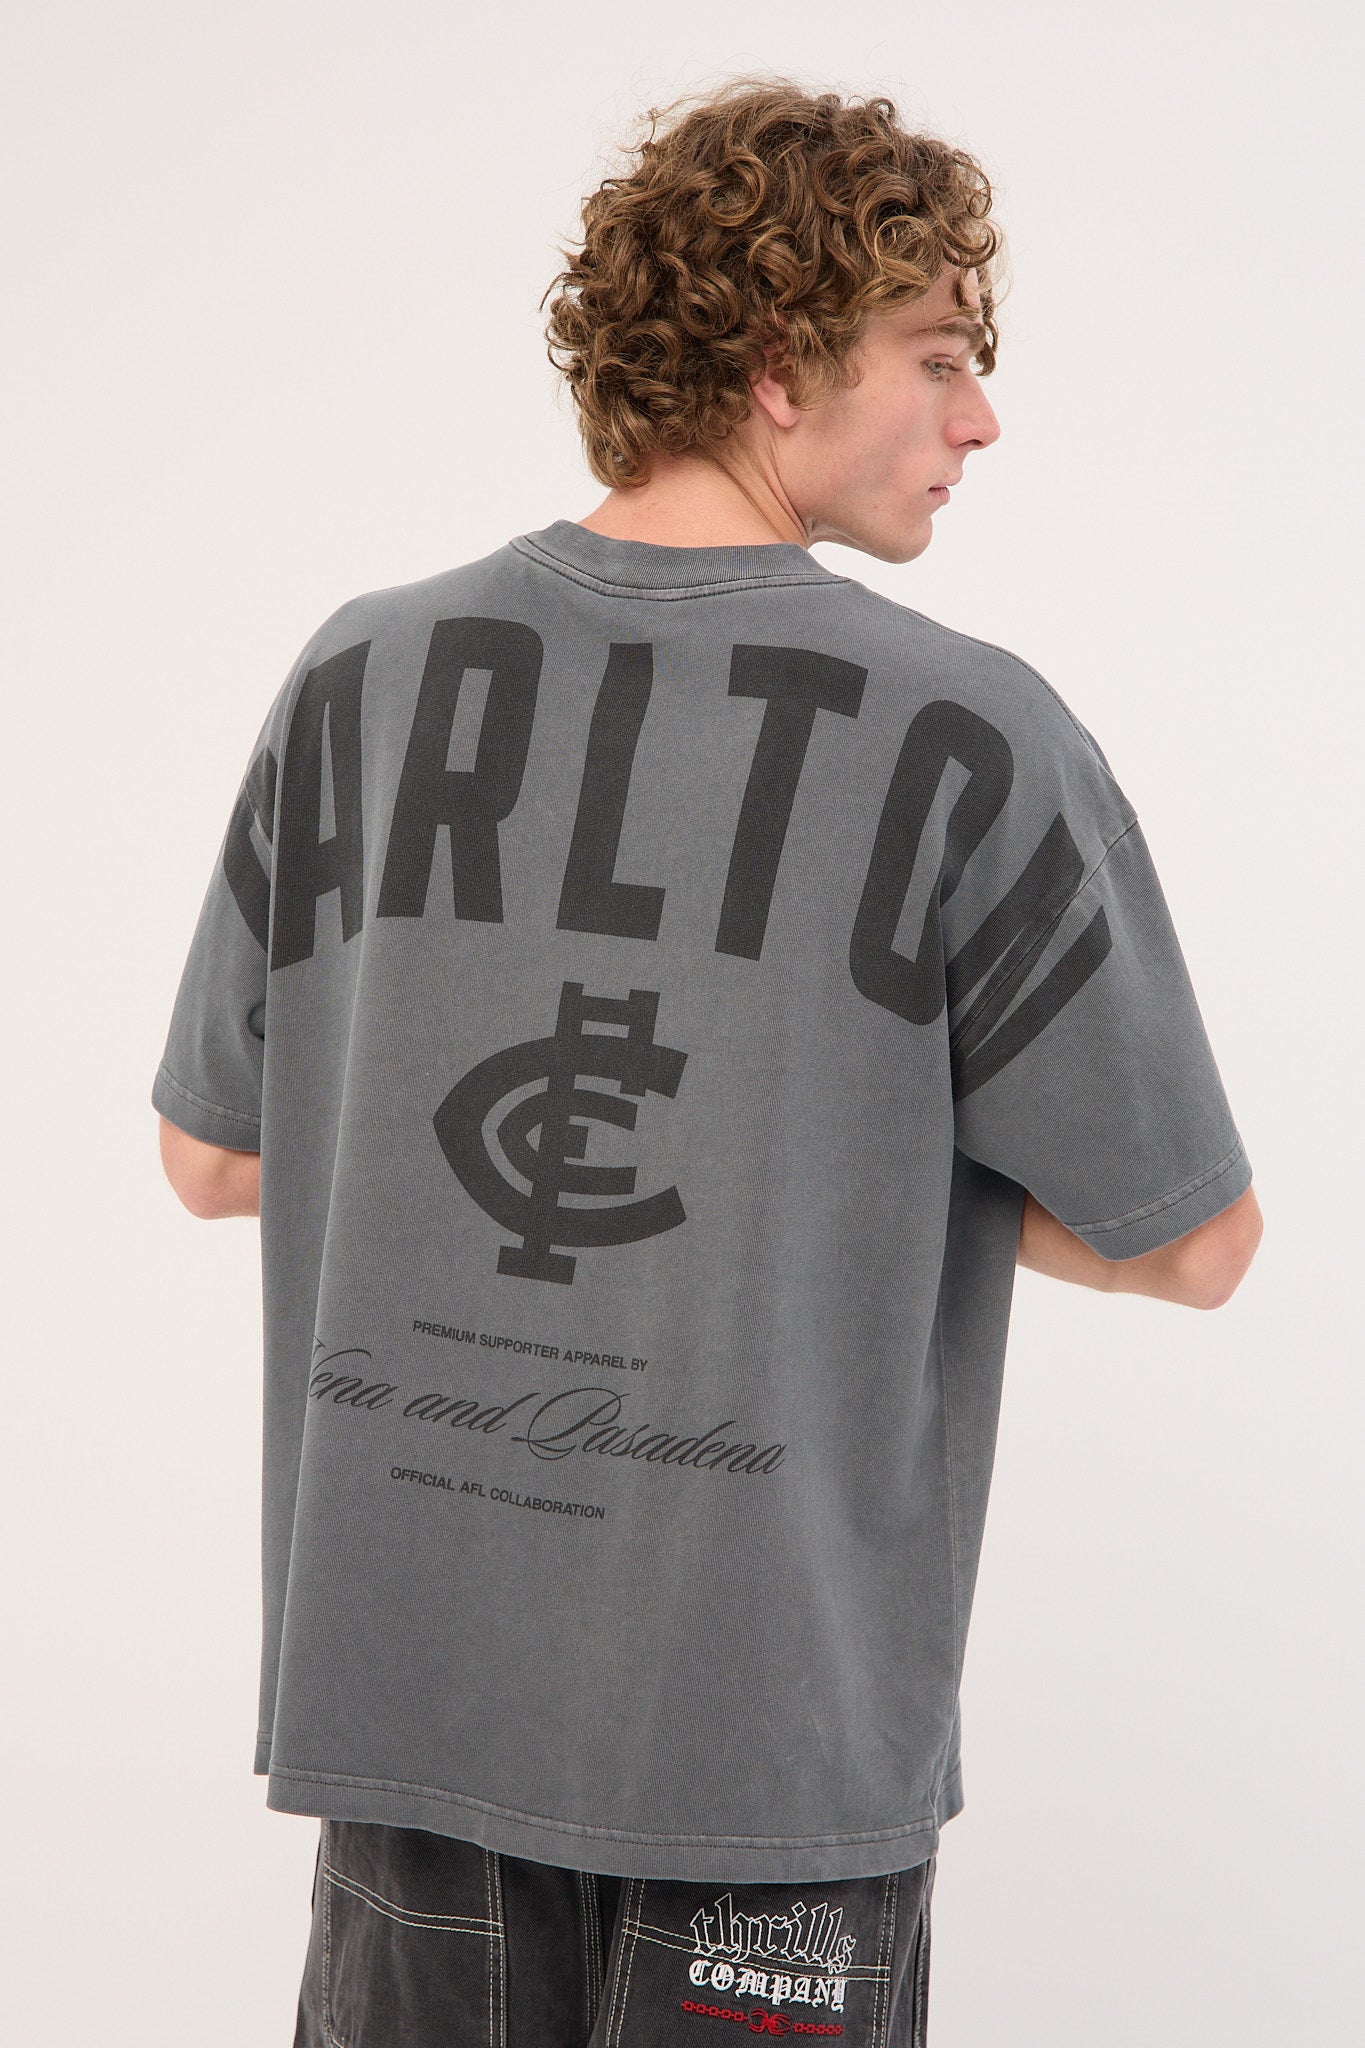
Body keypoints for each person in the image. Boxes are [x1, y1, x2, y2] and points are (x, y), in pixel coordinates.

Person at [152, 78, 1262, 2048]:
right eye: (938, 358)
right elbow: (1188, 1241)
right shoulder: (965, 734)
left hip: (411, 1728)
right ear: (775, 366)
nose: (979, 421)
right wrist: (845, 1158)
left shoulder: (358, 676)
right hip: (765, 1767)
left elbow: (214, 1158)